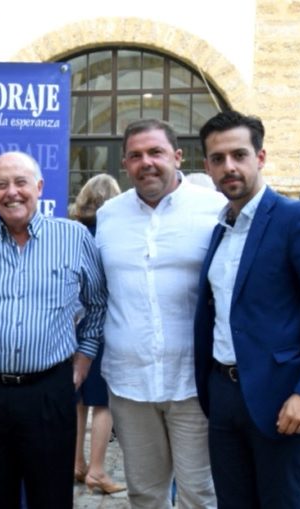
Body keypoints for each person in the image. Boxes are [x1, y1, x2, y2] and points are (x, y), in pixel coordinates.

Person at [193, 111, 300, 508]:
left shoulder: (296, 218)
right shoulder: (220, 229)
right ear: (207, 167)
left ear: (260, 157)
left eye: (239, 154)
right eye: (218, 159)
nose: (229, 166)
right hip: (224, 394)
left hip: (285, 399)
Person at [0, 151, 108, 509]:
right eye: (1, 185)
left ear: (39, 187)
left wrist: (83, 360)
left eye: (21, 182)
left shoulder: (73, 238)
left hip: (50, 391)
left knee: (52, 498)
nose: (12, 192)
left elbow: (98, 304)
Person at [96, 119, 223, 508]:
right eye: (136, 156)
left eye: (156, 152)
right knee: (145, 493)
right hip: (129, 380)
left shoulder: (215, 209)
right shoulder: (108, 215)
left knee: (200, 494)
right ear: (124, 163)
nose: (146, 163)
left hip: (193, 381)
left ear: (178, 157)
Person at [69, 173, 126, 495]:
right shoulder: (111, 235)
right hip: (103, 325)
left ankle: (76, 463)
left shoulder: (74, 232)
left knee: (78, 399)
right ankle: (98, 471)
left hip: (74, 326)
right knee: (103, 402)